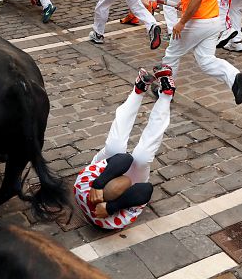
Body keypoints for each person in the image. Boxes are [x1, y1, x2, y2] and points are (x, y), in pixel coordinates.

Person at [74, 67, 173, 229]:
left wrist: (98, 184)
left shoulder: (83, 186)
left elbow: (123, 159)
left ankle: (138, 90)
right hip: (131, 187)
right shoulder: (111, 221)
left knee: (115, 147)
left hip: (101, 172)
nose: (123, 179)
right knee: (142, 156)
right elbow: (146, 189)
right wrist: (113, 207)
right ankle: (166, 95)